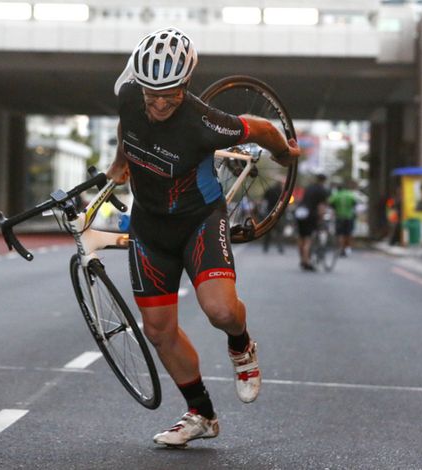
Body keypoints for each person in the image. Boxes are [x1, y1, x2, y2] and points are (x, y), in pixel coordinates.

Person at [106, 27, 301, 447]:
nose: (159, 103)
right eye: (151, 94)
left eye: (170, 93)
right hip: (150, 227)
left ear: (186, 85)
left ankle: (242, 346)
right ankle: (202, 415)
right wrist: (119, 162)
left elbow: (262, 128)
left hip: (198, 222)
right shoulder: (127, 93)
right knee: (158, 331)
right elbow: (129, 127)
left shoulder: (205, 122)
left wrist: (285, 154)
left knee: (221, 312)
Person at [294, 173, 329, 271]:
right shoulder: (322, 190)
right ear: (324, 181)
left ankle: (302, 259)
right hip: (311, 215)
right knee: (308, 239)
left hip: (300, 212)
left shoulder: (309, 187)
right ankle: (307, 261)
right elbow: (321, 206)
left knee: (301, 237)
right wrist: (321, 218)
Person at [329, 180, 358, 257]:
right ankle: (347, 248)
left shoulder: (336, 195)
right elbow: (355, 203)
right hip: (349, 216)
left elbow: (330, 203)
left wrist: (335, 209)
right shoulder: (350, 194)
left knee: (340, 234)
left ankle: (341, 248)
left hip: (339, 217)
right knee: (348, 233)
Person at [261, 181, 285, 254]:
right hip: (278, 212)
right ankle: (280, 247)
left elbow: (264, 200)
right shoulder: (281, 191)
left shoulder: (269, 190)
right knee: (279, 231)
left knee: (268, 230)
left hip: (269, 212)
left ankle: (266, 247)